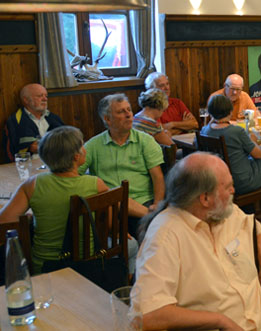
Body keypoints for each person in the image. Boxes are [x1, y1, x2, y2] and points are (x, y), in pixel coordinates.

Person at [132, 152, 261, 331]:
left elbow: (254, 229)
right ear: (205, 198)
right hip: (223, 327)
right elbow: (149, 315)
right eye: (228, 187)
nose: (234, 191)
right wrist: (219, 320)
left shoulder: (224, 210)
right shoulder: (165, 235)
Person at [0, 126, 108, 273]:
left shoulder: (32, 184)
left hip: (44, 267)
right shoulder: (96, 184)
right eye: (82, 145)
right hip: (88, 264)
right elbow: (107, 226)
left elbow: (4, 221)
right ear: (76, 156)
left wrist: (28, 221)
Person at [79, 93, 165, 236]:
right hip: (109, 207)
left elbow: (158, 177)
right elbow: (74, 173)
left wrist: (157, 205)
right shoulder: (93, 145)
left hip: (143, 201)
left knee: (148, 235)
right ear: (107, 119)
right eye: (121, 111)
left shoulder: (145, 141)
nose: (128, 115)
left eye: (129, 110)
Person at [200, 94, 261, 195]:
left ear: (210, 112)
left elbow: (196, 143)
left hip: (217, 182)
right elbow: (258, 155)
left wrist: (211, 120)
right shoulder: (236, 131)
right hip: (241, 182)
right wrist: (253, 140)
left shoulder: (204, 131)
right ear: (230, 111)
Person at [2, 83, 64, 162]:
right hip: (30, 166)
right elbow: (31, 148)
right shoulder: (16, 121)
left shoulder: (53, 118)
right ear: (26, 100)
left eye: (46, 96)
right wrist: (56, 145)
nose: (45, 99)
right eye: (40, 96)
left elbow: (67, 141)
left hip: (59, 164)